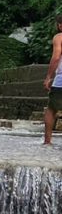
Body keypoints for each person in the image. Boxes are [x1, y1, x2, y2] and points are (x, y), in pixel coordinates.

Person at [43, 15, 62, 145]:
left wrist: (48, 77)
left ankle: (47, 141)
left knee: (51, 109)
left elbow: (56, 58)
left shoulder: (59, 37)